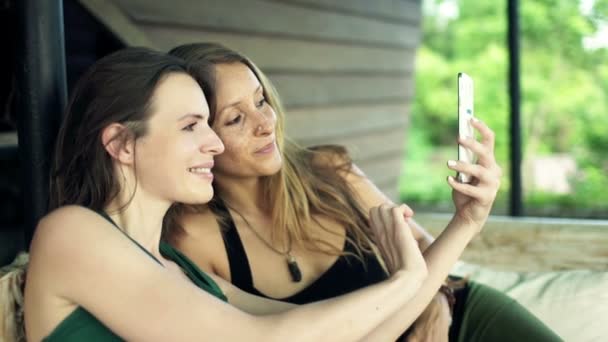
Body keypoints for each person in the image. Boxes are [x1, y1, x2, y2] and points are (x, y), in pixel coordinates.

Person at [19, 46, 433, 342]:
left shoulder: (178, 267)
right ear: (123, 144)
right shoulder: (72, 233)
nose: (214, 145)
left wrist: (465, 224)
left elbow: (346, 334)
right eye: (190, 126)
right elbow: (260, 338)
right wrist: (406, 279)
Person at [166, 43, 562, 341]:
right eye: (235, 118)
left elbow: (425, 253)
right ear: (198, 135)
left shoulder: (329, 171)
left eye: (261, 101)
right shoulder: (197, 236)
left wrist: (436, 304)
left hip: (460, 321)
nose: (264, 123)